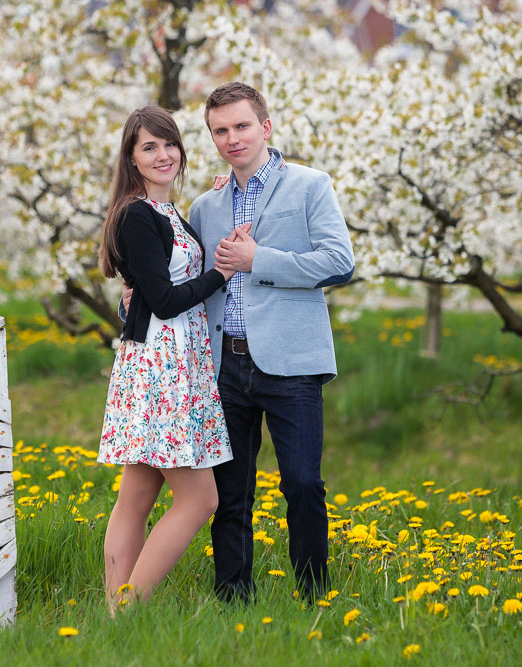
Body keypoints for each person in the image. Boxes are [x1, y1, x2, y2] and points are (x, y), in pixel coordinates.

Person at [191, 82, 355, 604]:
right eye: (221, 130)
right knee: (230, 494)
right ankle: (233, 599)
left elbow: (339, 262)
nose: (232, 138)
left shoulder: (310, 185)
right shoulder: (205, 206)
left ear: (265, 127)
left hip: (292, 363)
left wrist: (258, 260)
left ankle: (314, 597)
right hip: (225, 366)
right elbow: (188, 277)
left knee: (303, 483)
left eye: (242, 126)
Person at [96, 105, 236, 612]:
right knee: (201, 501)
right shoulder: (136, 214)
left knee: (136, 496)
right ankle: (131, 606)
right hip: (163, 367)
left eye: (168, 144)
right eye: (148, 147)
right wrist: (222, 272)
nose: (162, 155)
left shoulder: (168, 212)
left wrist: (220, 194)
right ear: (131, 159)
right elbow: (165, 299)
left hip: (174, 362)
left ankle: (116, 619)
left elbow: (155, 284)